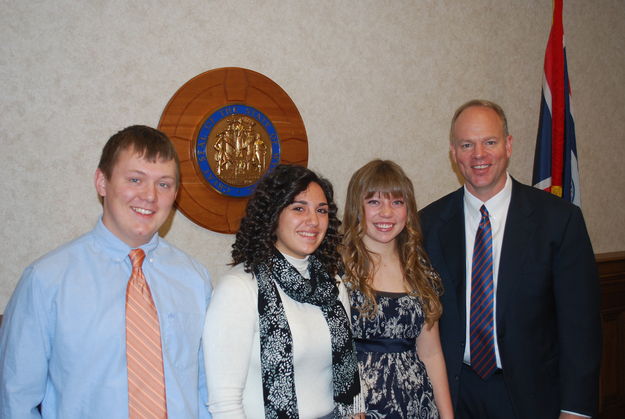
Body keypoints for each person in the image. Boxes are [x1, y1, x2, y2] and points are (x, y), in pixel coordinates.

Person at [0, 125, 212, 418]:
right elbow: (16, 400)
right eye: (135, 179)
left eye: (164, 184)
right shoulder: (45, 280)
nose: (150, 195)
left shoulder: (195, 279)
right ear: (102, 182)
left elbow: (206, 388)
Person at [419, 100, 601, 418]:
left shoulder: (559, 221)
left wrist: (576, 409)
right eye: (467, 144)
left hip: (533, 397)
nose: (479, 155)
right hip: (455, 395)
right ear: (453, 153)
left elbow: (580, 326)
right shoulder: (428, 224)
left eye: (489, 142)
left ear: (508, 145)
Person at [203, 164, 361, 418]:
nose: (313, 220)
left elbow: (347, 374)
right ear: (273, 215)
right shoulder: (240, 288)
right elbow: (224, 402)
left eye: (321, 211)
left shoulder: (333, 285)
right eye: (299, 208)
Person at [341, 159, 454, 419]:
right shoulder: (336, 270)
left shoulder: (420, 269)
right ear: (356, 207)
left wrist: (448, 416)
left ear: (408, 210)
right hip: (358, 410)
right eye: (374, 202)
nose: (387, 213)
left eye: (397, 202)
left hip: (417, 406)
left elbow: (432, 353)